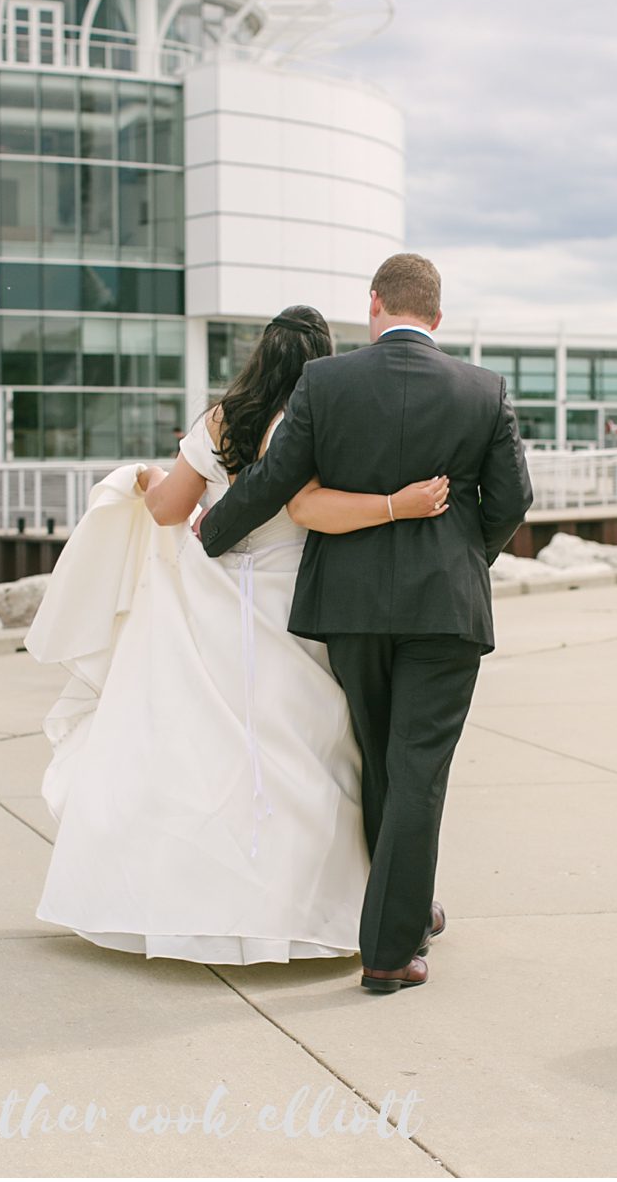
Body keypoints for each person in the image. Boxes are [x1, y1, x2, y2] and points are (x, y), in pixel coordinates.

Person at [30, 304, 451, 966]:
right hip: (293, 599)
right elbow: (315, 510)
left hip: (211, 598)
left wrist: (142, 477)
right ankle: (349, 905)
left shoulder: (222, 418)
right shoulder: (323, 419)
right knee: (314, 748)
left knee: (198, 749)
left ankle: (184, 899)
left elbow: (171, 509)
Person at [199, 254, 533, 992]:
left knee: (382, 763)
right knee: (419, 772)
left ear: (375, 304)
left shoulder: (327, 381)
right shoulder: (484, 389)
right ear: (438, 317)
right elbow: (512, 501)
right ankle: (391, 948)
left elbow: (276, 478)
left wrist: (210, 534)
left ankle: (403, 917)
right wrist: (461, 555)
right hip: (445, 610)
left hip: (349, 609)